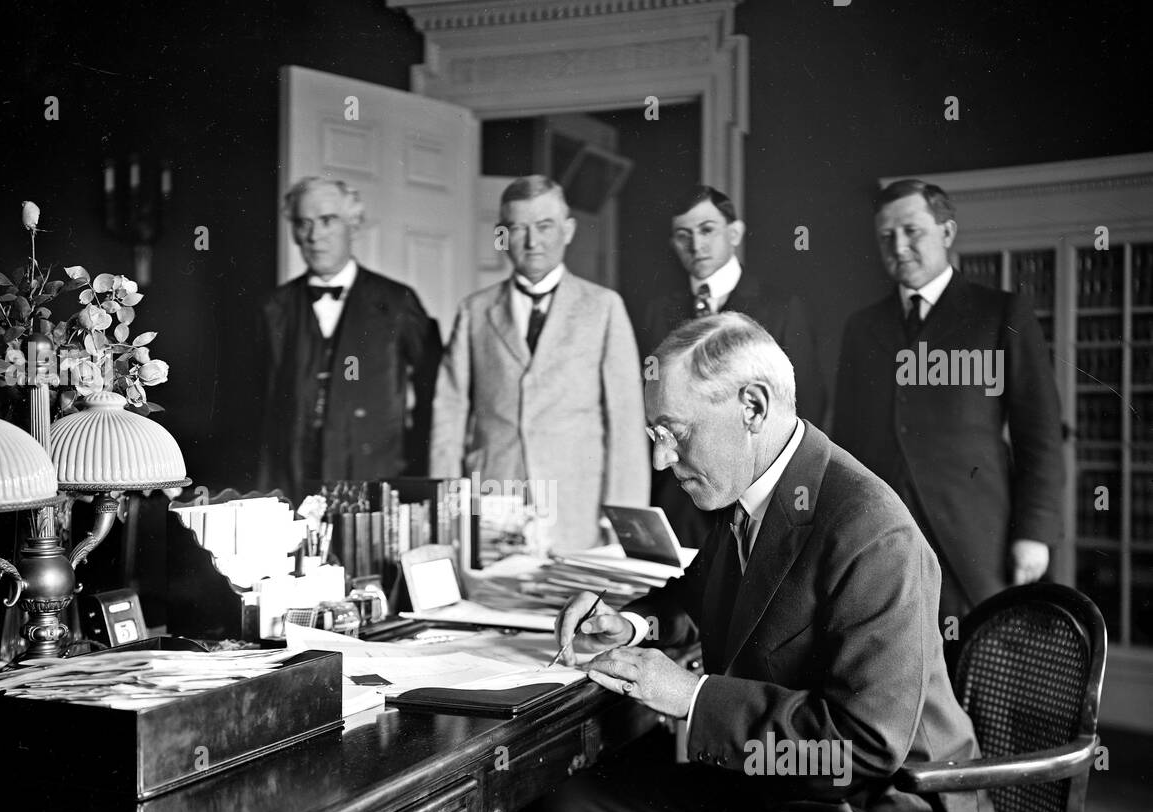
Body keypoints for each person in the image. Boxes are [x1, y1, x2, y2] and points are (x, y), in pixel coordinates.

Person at [543, 312, 996, 812]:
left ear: (752, 407)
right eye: (655, 434)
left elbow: (864, 745)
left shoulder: (871, 528)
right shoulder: (759, 490)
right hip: (779, 790)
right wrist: (629, 624)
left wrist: (691, 698)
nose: (663, 459)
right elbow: (700, 591)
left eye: (676, 432)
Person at [833, 178, 1064, 626]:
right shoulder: (862, 327)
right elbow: (844, 444)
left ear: (947, 233)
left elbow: (1041, 436)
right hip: (884, 546)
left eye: (911, 231)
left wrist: (1034, 534)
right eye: (885, 236)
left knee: (979, 684)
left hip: (977, 551)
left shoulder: (1000, 314)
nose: (898, 246)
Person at [429, 176, 649, 552]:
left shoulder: (602, 307)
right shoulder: (475, 311)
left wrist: (623, 518)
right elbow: (448, 417)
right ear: (502, 236)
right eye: (518, 228)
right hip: (496, 500)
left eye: (544, 226)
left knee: (576, 607)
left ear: (567, 230)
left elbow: (626, 421)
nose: (533, 242)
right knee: (497, 606)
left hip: (577, 508)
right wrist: (446, 512)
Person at [641, 185, 824, 548]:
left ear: (734, 233)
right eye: (684, 235)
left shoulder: (781, 306)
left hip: (756, 497)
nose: (696, 245)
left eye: (707, 230)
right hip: (681, 501)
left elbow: (805, 407)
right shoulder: (659, 309)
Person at [256, 177, 441, 499]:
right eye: (303, 223)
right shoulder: (275, 307)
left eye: (328, 221)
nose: (314, 236)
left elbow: (435, 391)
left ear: (354, 225)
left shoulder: (397, 302)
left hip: (375, 473)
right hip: (293, 476)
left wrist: (415, 464)